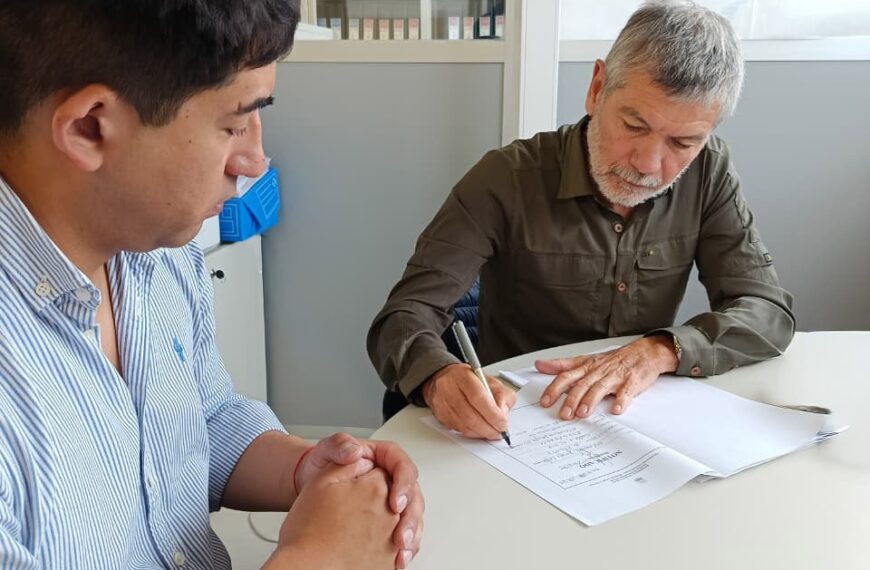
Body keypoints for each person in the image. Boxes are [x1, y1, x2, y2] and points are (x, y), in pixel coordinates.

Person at [0, 1, 422, 568]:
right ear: (89, 127)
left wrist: (308, 471)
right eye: (234, 123)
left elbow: (205, 419)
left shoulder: (158, 254)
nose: (254, 159)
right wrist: (322, 556)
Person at [368, 1, 794, 440]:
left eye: (683, 142)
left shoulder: (709, 171)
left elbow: (767, 310)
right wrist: (439, 378)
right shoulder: (506, 178)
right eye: (633, 125)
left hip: (638, 420)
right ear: (596, 88)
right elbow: (403, 317)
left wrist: (663, 350)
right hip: (522, 424)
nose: (649, 165)